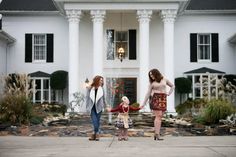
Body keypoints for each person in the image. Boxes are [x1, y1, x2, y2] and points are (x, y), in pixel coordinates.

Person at [141, 69, 175, 140]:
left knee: (160, 117)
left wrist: (169, 93)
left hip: (163, 99)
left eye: (152, 74)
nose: (151, 76)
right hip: (155, 99)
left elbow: (172, 86)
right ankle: (157, 134)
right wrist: (144, 103)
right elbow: (148, 93)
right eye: (150, 75)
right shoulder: (152, 83)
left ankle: (156, 134)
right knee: (158, 115)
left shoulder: (164, 79)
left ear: (156, 73)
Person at [86, 75, 106, 141]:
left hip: (99, 107)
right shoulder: (90, 88)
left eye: (102, 80)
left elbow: (103, 98)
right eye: (100, 80)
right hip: (92, 107)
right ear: (97, 80)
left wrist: (105, 106)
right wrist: (87, 107)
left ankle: (93, 134)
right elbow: (87, 98)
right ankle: (97, 133)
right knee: (94, 121)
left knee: (97, 121)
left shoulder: (102, 89)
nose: (101, 81)